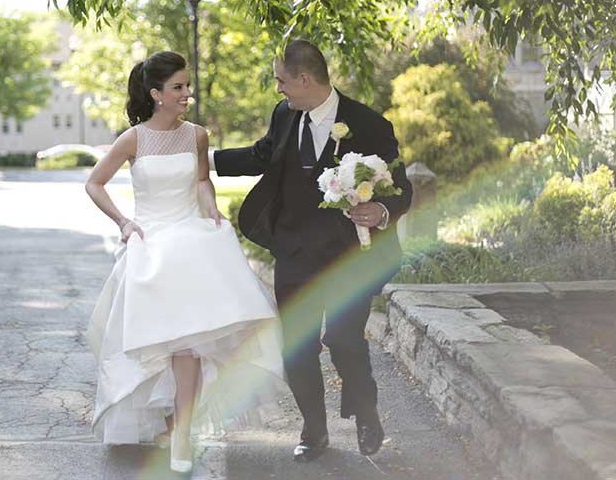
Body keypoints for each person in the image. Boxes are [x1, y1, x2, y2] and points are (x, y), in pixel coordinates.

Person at [84, 51, 284, 474]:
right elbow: (94, 183)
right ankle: (170, 424)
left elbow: (200, 181)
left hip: (194, 243)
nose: (186, 94)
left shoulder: (196, 135)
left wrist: (211, 209)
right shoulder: (132, 139)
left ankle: (183, 434)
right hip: (151, 246)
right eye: (178, 87)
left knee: (189, 346)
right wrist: (123, 221)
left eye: (187, 86)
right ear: (156, 94)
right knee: (162, 346)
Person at [213, 39, 413, 462]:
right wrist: (202, 156)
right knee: (297, 347)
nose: (279, 90)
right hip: (295, 250)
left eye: (282, 81)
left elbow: (401, 185)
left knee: (343, 340)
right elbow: (264, 154)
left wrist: (379, 208)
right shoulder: (285, 115)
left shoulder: (369, 123)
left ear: (305, 79)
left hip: (349, 256)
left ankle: (366, 411)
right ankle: (314, 430)